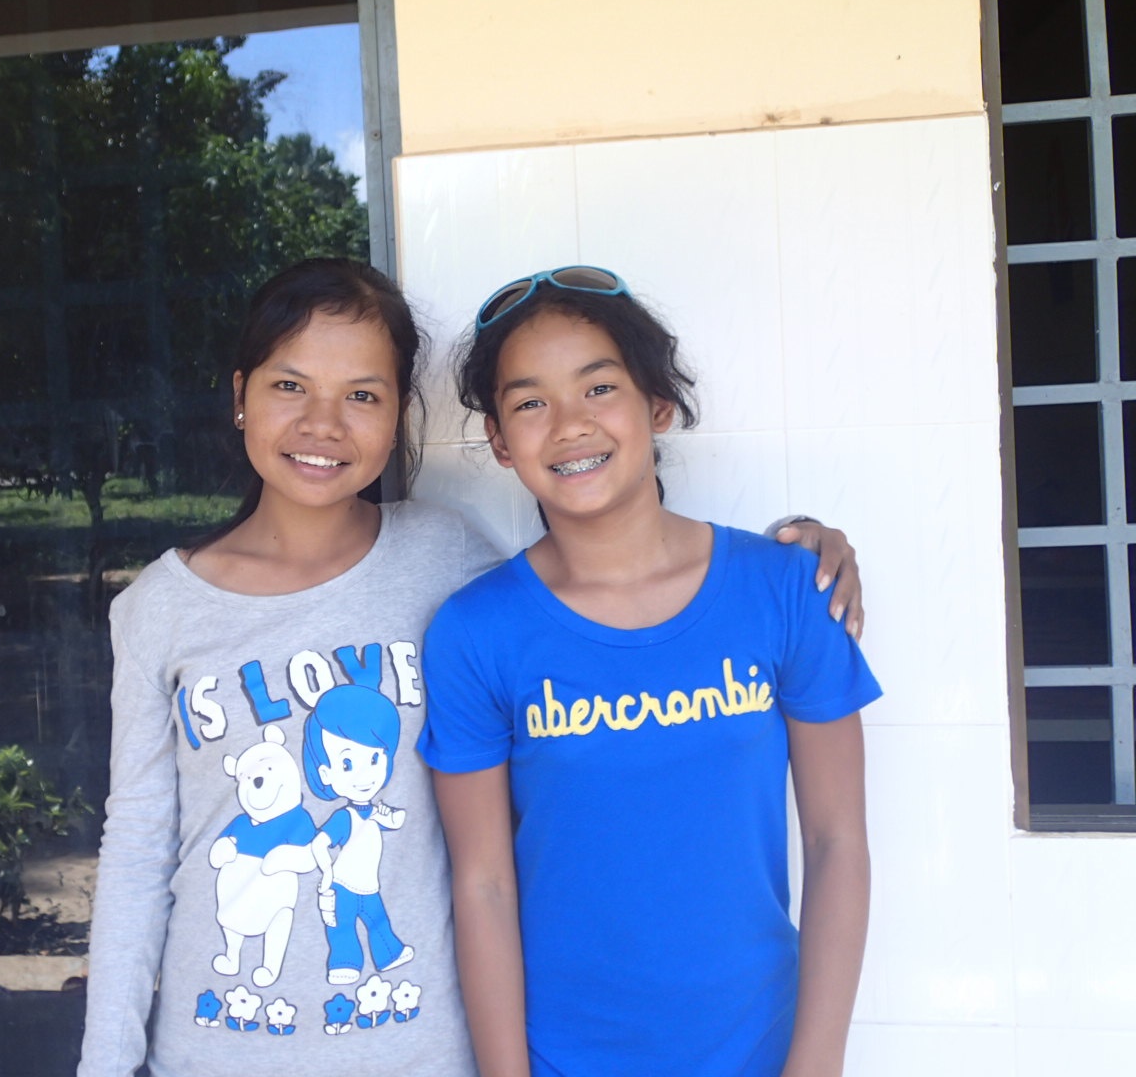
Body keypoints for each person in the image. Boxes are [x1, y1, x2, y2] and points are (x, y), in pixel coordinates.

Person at [77, 258, 864, 1077]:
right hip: (217, 1052)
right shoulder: (158, 610)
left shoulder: (442, 559)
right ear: (240, 394)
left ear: (397, 419)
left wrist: (799, 550)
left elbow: (595, 584)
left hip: (421, 1052)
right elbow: (137, 855)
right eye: (289, 386)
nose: (322, 423)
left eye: (363, 395)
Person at [419, 266, 880, 1077]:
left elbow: (838, 841)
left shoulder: (787, 592)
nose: (568, 425)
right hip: (560, 1058)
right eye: (529, 403)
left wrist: (816, 1065)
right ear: (498, 440)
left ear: (656, 405)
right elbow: (483, 885)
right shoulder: (476, 632)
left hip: (762, 1053)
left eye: (599, 388)